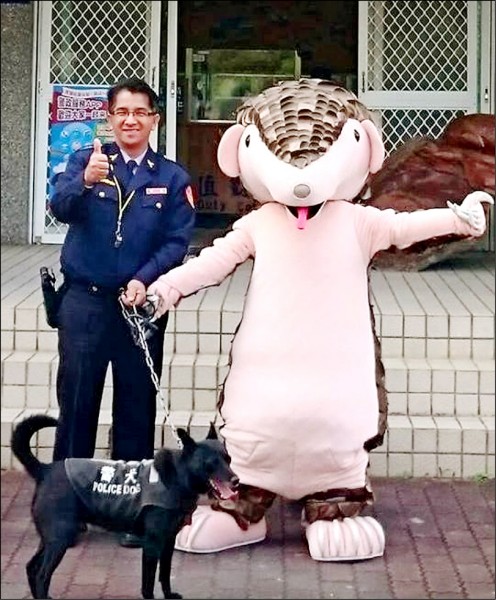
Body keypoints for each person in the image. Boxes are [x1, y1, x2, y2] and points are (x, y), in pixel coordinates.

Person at [49, 77, 196, 547]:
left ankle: (133, 510)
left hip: (139, 305)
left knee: (136, 404)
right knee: (77, 402)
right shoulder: (86, 163)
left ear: (154, 120)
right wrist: (85, 181)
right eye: (121, 112)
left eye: (140, 112)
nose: (130, 120)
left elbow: (177, 241)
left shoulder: (171, 177)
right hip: (84, 301)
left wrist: (146, 277)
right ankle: (67, 508)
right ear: (109, 119)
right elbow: (59, 206)